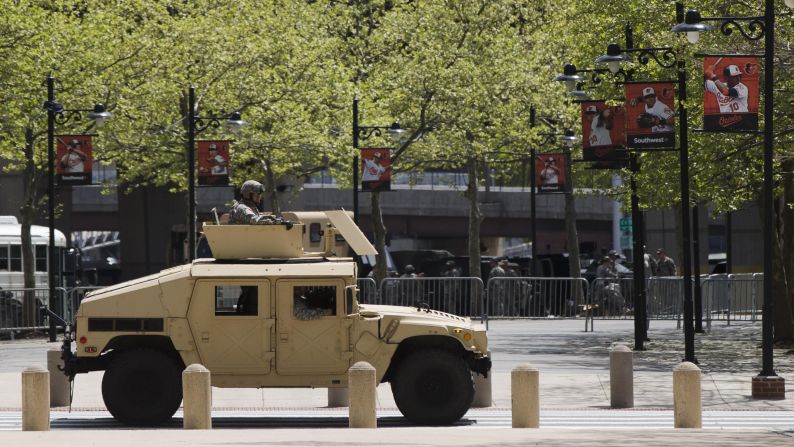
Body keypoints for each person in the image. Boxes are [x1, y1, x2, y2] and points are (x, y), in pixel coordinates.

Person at [229, 180, 293, 226]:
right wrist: (279, 222)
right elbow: (255, 220)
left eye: (260, 195)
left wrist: (275, 219)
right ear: (247, 195)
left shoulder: (252, 208)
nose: (259, 198)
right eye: (257, 195)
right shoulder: (241, 208)